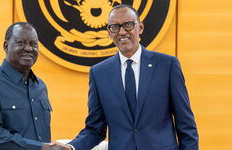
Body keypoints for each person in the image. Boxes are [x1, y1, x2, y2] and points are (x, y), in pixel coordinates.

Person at [57, 4, 199, 150]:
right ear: (109, 32)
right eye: (115, 27)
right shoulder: (99, 73)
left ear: (140, 28)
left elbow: (186, 126)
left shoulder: (167, 65)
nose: (122, 32)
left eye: (128, 25)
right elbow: (95, 129)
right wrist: (71, 147)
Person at [0, 22, 57, 150]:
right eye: (21, 43)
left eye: (33, 44)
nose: (28, 48)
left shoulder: (40, 86)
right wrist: (39, 148)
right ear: (6, 47)